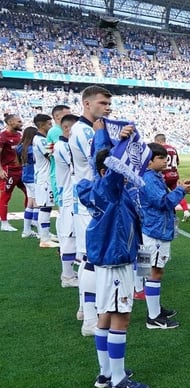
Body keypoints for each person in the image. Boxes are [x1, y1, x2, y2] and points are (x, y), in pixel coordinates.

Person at [77, 146, 149, 388]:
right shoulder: (110, 189)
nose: (126, 175)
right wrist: (122, 143)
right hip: (115, 261)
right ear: (106, 172)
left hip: (108, 260)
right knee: (121, 317)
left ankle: (106, 372)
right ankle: (118, 381)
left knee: (106, 316)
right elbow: (114, 171)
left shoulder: (99, 190)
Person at [71, 85, 114, 336]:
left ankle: (84, 309)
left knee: (88, 257)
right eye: (102, 103)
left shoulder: (89, 129)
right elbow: (100, 160)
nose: (107, 108)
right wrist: (103, 136)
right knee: (92, 258)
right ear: (87, 104)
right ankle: (89, 319)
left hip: (90, 199)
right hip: (90, 200)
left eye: (109, 104)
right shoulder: (85, 130)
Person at [139, 143, 190, 329]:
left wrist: (179, 189)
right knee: (154, 271)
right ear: (149, 161)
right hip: (155, 230)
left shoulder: (153, 176)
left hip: (152, 228)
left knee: (152, 271)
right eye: (161, 158)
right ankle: (153, 317)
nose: (165, 161)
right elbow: (163, 202)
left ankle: (154, 310)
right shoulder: (149, 178)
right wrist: (181, 191)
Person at [53, 114, 80, 288]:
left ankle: (70, 273)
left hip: (70, 195)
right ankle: (68, 276)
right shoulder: (63, 146)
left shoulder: (64, 145)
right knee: (70, 236)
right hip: (70, 196)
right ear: (67, 128)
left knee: (70, 235)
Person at [31, 113, 58, 248]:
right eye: (49, 124)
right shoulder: (41, 140)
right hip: (45, 178)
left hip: (44, 177)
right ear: (42, 125)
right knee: (45, 207)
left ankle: (46, 234)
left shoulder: (41, 138)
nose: (51, 126)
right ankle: (44, 239)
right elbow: (50, 156)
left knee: (47, 206)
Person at [154, 133, 190, 222]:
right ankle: (186, 211)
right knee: (178, 192)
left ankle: (168, 214)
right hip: (174, 174)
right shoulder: (173, 148)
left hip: (164, 175)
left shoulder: (160, 149)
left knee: (164, 196)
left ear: (158, 141)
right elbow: (177, 162)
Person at [0, 114, 24, 232]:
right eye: (18, 121)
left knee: (30, 193)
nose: (21, 123)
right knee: (6, 195)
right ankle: (4, 223)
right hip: (8, 170)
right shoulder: (3, 136)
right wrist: (0, 170)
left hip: (21, 170)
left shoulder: (19, 135)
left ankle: (30, 220)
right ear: (10, 122)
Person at [16, 126, 39, 239]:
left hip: (25, 177)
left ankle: (27, 230)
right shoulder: (32, 149)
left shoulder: (20, 147)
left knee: (30, 203)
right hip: (33, 178)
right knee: (37, 204)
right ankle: (41, 231)